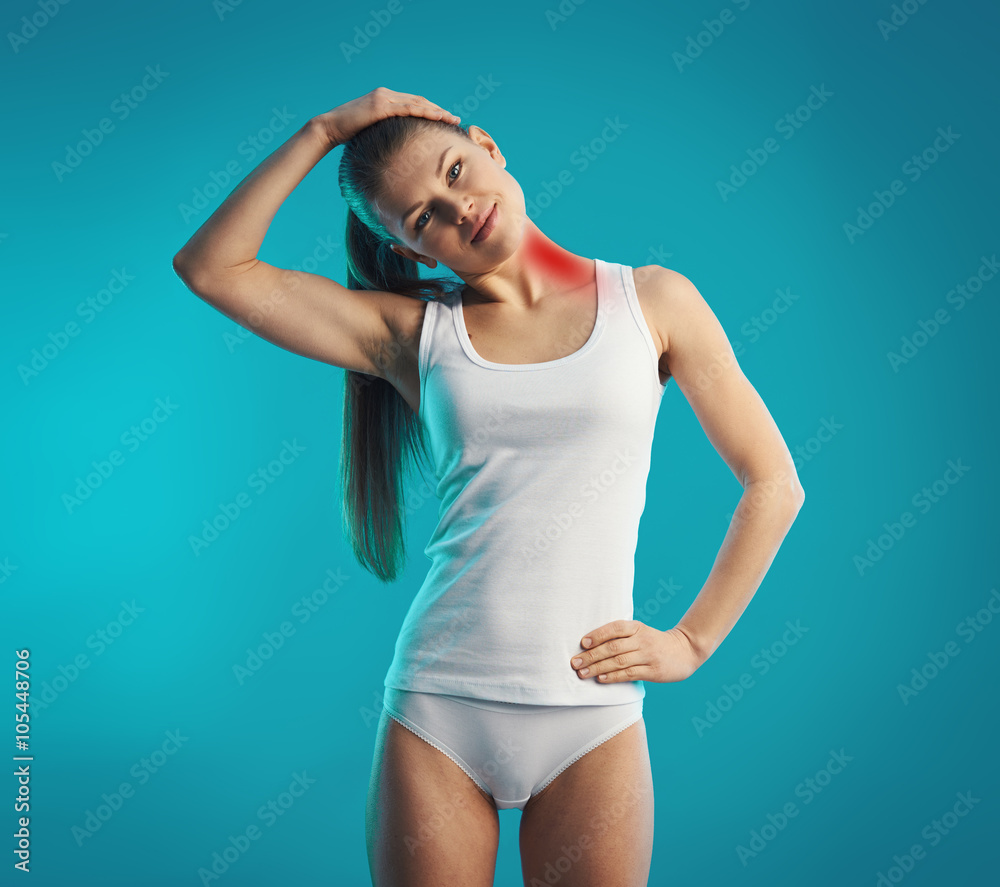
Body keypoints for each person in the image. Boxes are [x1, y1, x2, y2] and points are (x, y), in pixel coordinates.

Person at [172, 87, 805, 887]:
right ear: (416, 253)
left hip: (593, 716)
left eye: (457, 170)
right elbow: (211, 267)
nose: (457, 206)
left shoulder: (653, 301)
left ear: (490, 146)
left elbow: (773, 481)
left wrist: (691, 641)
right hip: (441, 704)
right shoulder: (410, 336)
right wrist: (324, 129)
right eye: (424, 217)